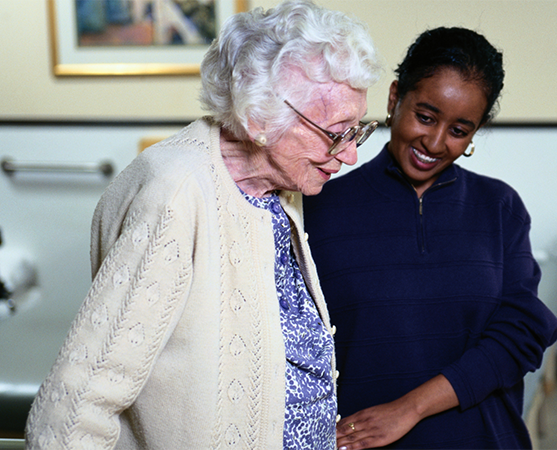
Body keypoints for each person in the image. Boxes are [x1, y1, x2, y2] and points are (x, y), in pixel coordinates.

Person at [25, 1, 382, 448]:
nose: (350, 155)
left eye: (356, 131)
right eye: (336, 133)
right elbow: (74, 406)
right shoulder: (175, 191)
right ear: (259, 120)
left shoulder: (278, 186)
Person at [303, 27, 557, 450]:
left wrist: (410, 408)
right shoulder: (318, 208)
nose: (435, 142)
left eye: (459, 129)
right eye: (425, 116)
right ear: (393, 98)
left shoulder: (499, 207)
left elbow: (521, 336)